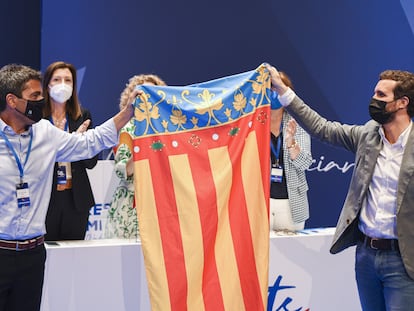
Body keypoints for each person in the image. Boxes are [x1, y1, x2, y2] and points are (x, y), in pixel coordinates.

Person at [266, 63, 414, 310]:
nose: (373, 100)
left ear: (402, 103)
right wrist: (283, 91)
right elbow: (322, 128)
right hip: (366, 256)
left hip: (402, 260)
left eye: (381, 95)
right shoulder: (368, 135)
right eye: (374, 93)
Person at [0, 63, 138, 311]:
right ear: (12, 100)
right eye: (34, 97)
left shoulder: (45, 132)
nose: (41, 102)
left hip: (33, 255)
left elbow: (89, 144)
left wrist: (127, 114)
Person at [105, 74, 166, 239]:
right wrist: (143, 147)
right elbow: (123, 170)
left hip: (162, 203)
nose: (147, 98)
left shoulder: (169, 130)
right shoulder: (128, 129)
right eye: (142, 94)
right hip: (132, 207)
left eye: (153, 92)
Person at [42, 61, 97, 241]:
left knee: (74, 256)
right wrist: (69, 141)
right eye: (57, 79)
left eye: (68, 80)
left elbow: (92, 162)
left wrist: (80, 142)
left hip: (76, 200)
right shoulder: (38, 119)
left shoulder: (83, 116)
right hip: (46, 199)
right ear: (47, 84)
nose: (62, 84)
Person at [269, 71, 312, 232]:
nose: (273, 93)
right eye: (269, 88)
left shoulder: (297, 123)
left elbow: (304, 163)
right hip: (259, 201)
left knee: (290, 254)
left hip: (291, 203)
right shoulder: (254, 125)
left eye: (277, 88)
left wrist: (290, 142)